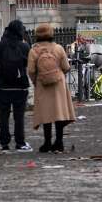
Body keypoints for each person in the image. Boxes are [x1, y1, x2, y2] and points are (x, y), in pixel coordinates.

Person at [27, 24, 76, 153]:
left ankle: (47, 142)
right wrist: (58, 74)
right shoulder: (58, 48)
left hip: (42, 84)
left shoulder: (33, 51)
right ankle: (59, 141)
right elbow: (66, 67)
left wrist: (36, 81)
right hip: (58, 84)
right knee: (59, 113)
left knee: (45, 114)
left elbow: (31, 70)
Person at [0, 20, 32, 151]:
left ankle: (4, 143)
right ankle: (20, 142)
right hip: (20, 86)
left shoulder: (0, 45)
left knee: (3, 116)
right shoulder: (24, 46)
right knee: (19, 116)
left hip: (3, 85)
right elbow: (28, 62)